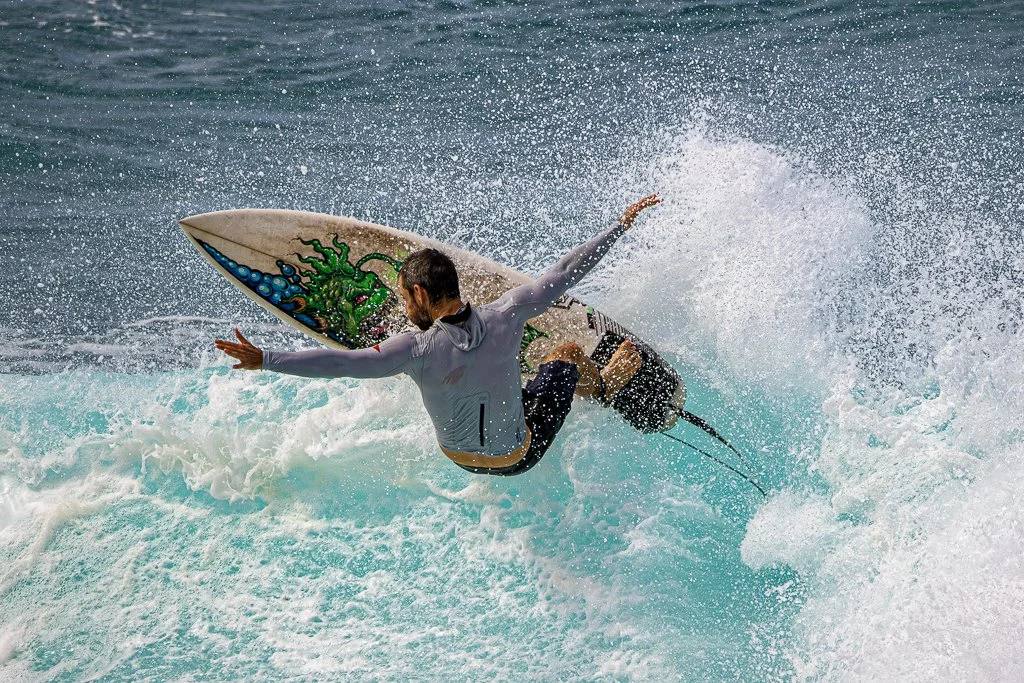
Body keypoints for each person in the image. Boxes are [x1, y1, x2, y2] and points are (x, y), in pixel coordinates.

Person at [215, 194, 661, 475]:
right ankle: (598, 383)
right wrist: (620, 226)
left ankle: (582, 385)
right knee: (562, 353)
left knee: (522, 383)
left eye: (405, 299)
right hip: (519, 456)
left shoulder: (413, 350)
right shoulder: (508, 315)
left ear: (421, 293)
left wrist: (266, 359)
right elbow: (564, 273)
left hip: (458, 459)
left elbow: (343, 363)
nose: (404, 309)